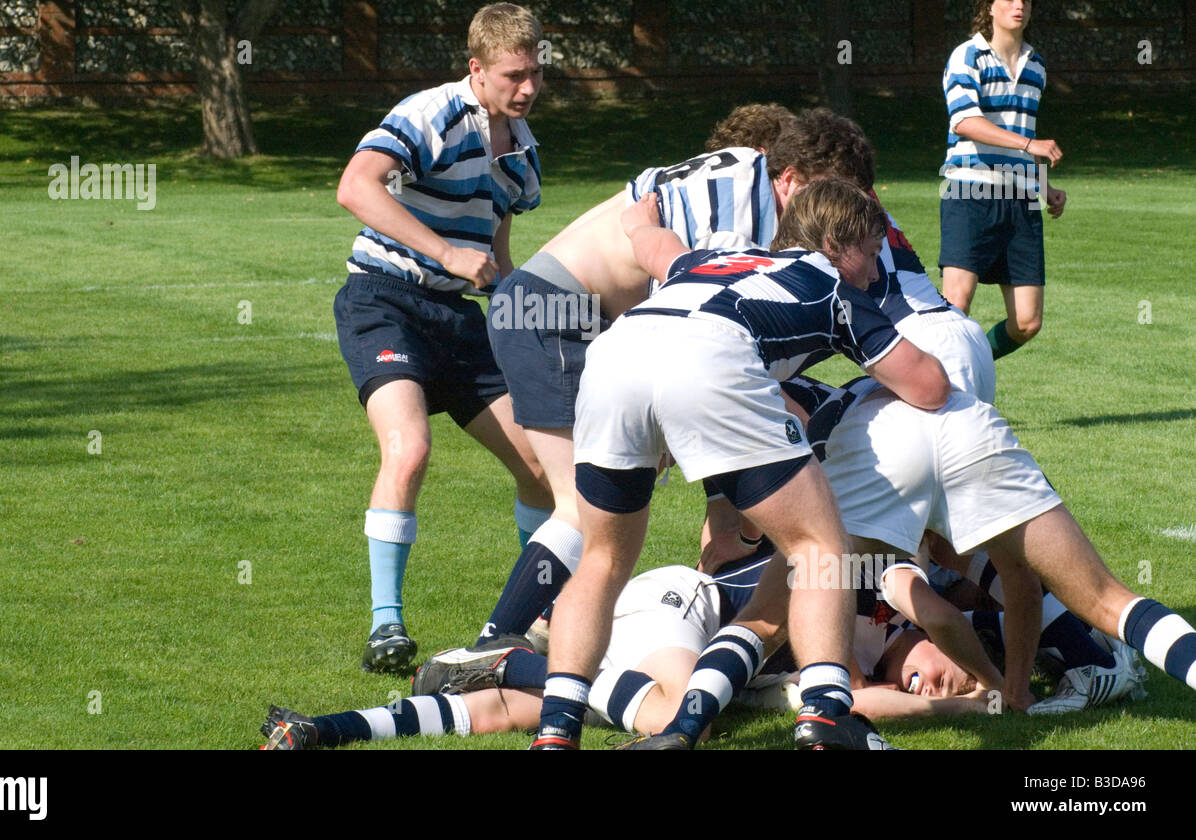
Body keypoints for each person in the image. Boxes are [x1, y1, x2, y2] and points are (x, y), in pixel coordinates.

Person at [530, 180, 951, 751]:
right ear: (834, 242)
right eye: (872, 251)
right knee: (820, 548)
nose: (877, 272)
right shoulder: (834, 292)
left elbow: (655, 246)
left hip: (615, 353)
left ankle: (556, 734)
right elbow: (927, 385)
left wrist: (637, 221)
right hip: (710, 355)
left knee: (603, 559)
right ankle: (826, 717)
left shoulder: (718, 257)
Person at [476, 107, 875, 650]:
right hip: (558, 314)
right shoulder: (740, 202)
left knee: (592, 504)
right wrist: (723, 500)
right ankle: (493, 643)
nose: (834, 221)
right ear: (791, 178)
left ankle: (543, 623)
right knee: (580, 505)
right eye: (827, 198)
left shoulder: (744, 178)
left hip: (576, 315)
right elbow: (707, 335)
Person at [333, 2, 553, 672]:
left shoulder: (520, 149)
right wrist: (447, 254)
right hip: (384, 302)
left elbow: (499, 255)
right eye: (515, 75)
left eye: (536, 73)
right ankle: (386, 628)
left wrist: (534, 325)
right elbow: (356, 187)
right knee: (410, 450)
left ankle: (530, 623)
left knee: (542, 468)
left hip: (459, 320)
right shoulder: (430, 115)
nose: (529, 89)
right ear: (476, 68)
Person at [777, 371, 1194, 714]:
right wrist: (998, 694)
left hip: (887, 425)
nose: (929, 686)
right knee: (1089, 593)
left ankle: (1090, 653)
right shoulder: (873, 602)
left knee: (955, 560)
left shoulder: (864, 574)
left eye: (916, 682)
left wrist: (993, 690)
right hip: (940, 405)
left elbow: (936, 622)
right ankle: (1090, 645)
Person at [259, 560, 769, 749]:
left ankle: (321, 729)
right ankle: (508, 659)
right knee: (683, 722)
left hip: (646, 636)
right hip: (674, 603)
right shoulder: (826, 571)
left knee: (500, 713)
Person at [939, 0, 1068, 360]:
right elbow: (965, 122)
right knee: (955, 307)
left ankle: (971, 363)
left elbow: (1018, 130)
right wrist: (1031, 145)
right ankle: (938, 391)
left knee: (1027, 322)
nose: (1019, 5)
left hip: (1021, 198)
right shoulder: (967, 56)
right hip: (969, 191)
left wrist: (1046, 188)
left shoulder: (1037, 66)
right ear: (989, 7)